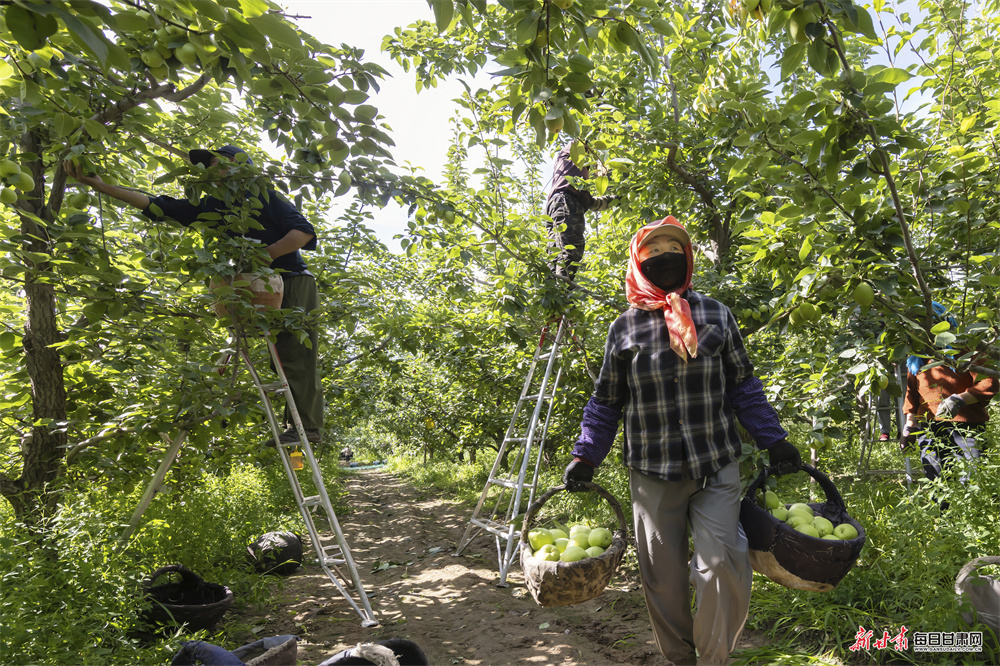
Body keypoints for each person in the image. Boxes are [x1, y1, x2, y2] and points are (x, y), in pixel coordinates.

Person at [562, 216, 801, 666]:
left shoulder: (715, 314)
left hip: (715, 464)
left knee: (723, 566)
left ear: (688, 258)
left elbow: (742, 386)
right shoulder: (624, 329)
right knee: (663, 577)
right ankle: (679, 658)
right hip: (653, 472)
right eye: (653, 255)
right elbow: (606, 402)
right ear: (638, 262)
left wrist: (775, 439)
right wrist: (586, 454)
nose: (665, 261)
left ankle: (713, 660)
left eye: (674, 251)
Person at [64, 145, 325, 445]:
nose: (212, 168)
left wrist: (266, 254)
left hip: (291, 281)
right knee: (278, 358)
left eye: (218, 162)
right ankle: (296, 425)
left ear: (241, 166)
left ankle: (307, 427)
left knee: (296, 356)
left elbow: (303, 232)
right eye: (209, 164)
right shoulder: (212, 208)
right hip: (252, 287)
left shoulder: (263, 195)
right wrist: (101, 186)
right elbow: (157, 205)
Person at [899, 302, 997, 496]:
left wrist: (960, 400)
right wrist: (909, 427)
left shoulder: (965, 348)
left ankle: (975, 522)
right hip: (930, 430)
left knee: (973, 479)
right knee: (937, 483)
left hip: (967, 429)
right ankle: (945, 523)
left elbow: (989, 382)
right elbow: (912, 395)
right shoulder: (918, 357)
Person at [544, 142, 618, 280]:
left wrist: (616, 199)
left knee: (555, 254)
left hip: (559, 207)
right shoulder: (570, 158)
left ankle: (552, 294)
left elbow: (593, 203)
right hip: (564, 202)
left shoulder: (581, 189)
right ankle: (563, 292)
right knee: (569, 249)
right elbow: (580, 142)